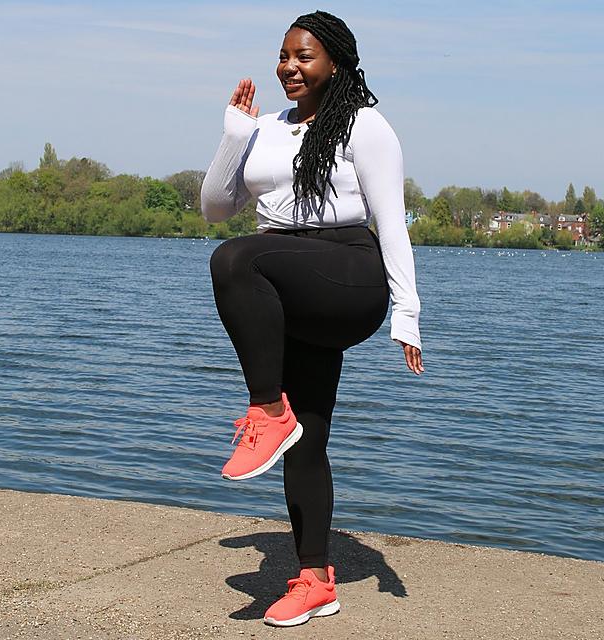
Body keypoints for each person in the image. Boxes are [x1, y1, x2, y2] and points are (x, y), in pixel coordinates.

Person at [200, 10, 424, 628]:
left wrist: (407, 311)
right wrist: (232, 134)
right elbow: (216, 206)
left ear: (336, 63)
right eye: (283, 56)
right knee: (309, 441)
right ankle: (315, 576)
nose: (289, 68)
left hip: (347, 277)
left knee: (235, 260)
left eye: (304, 57)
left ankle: (266, 408)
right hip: (288, 282)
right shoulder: (266, 128)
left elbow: (391, 220)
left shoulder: (365, 126)